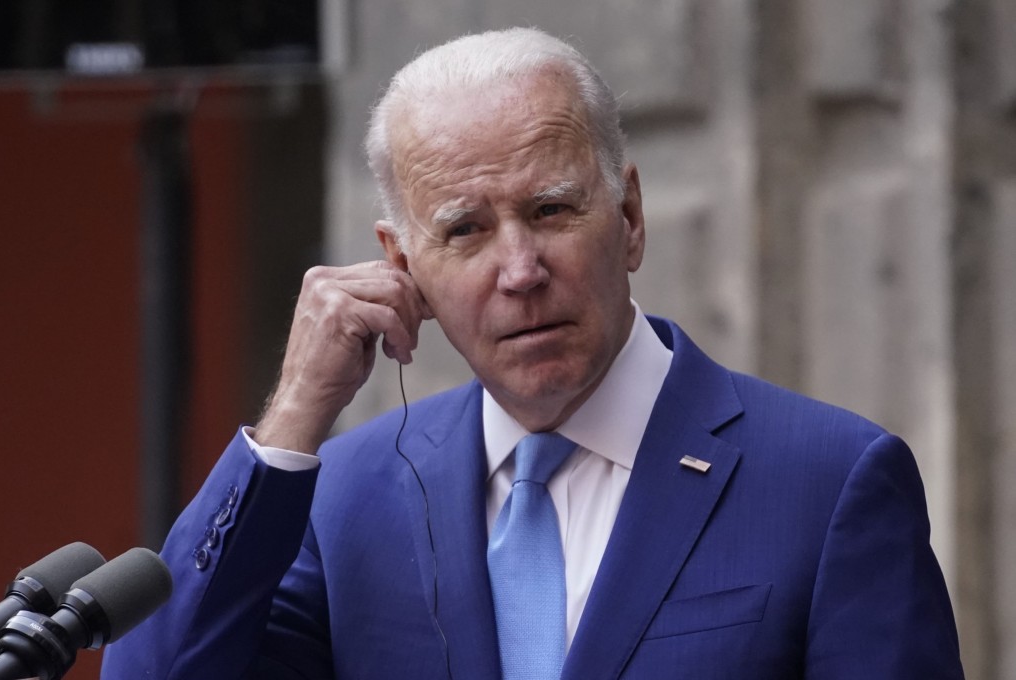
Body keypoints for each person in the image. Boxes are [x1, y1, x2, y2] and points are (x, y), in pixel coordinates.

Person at [101, 27, 964, 679]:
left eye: (551, 211)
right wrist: (294, 415)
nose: (519, 270)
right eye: (466, 230)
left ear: (628, 218)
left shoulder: (830, 480)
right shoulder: (348, 500)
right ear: (402, 266)